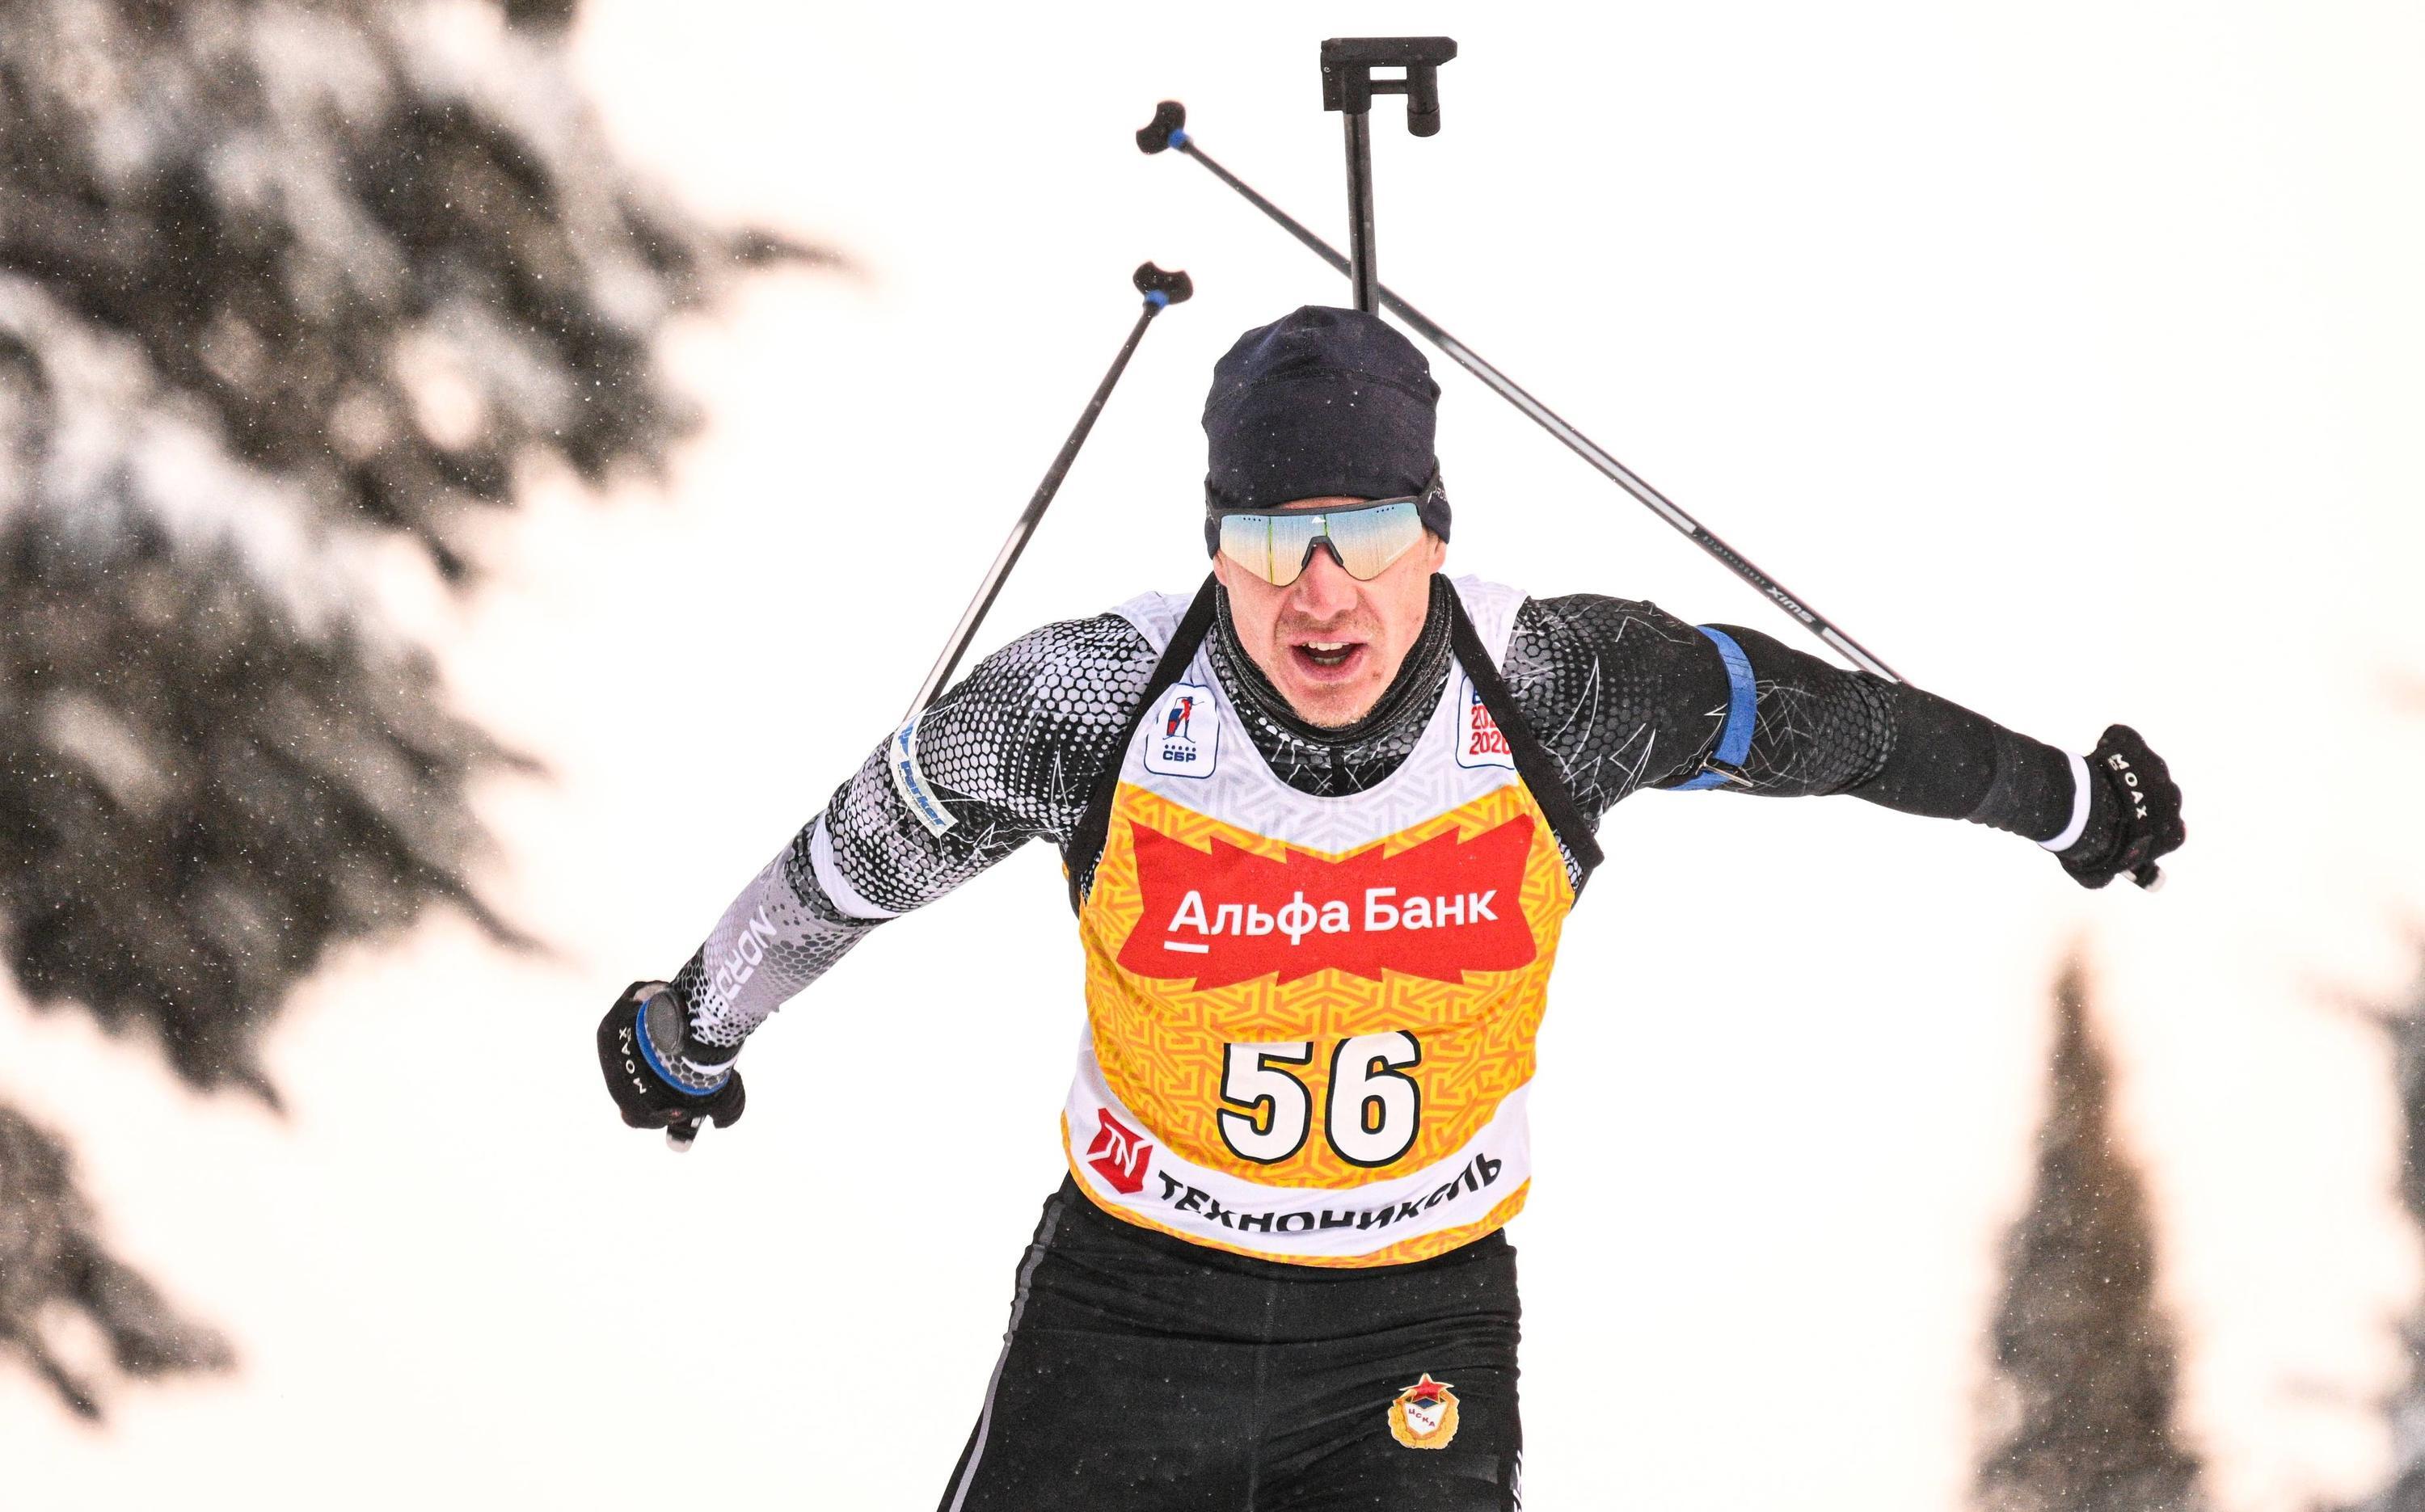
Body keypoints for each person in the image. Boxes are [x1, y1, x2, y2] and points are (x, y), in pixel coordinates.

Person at [597, 306, 2184, 1510]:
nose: (1320, 592)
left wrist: (2063, 799)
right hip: (1132, 1312)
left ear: (1433, 530)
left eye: (1360, 533)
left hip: (1409, 1333)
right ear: (1216, 550)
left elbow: (1842, 732)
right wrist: (692, 1028)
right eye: (1269, 539)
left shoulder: (1558, 687)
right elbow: (842, 872)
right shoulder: (1089, 702)